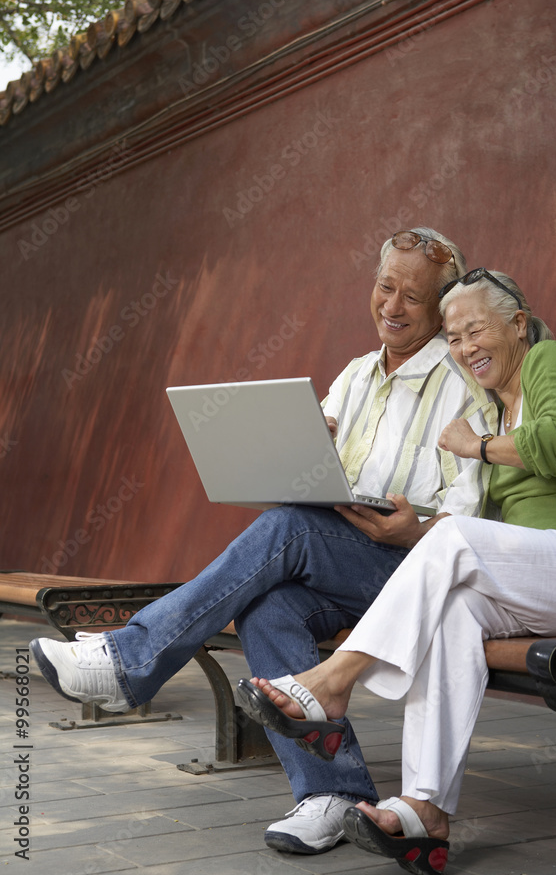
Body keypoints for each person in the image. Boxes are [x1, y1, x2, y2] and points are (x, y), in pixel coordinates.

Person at [30, 229, 497, 856]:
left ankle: (130, 661)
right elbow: (316, 464)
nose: (392, 305)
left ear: (440, 311)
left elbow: (473, 513)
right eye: (385, 286)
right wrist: (301, 452)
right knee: (267, 604)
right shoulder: (357, 375)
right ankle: (333, 794)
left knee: (290, 527)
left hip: (419, 567)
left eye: (412, 297)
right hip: (347, 562)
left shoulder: (461, 381)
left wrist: (413, 530)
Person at [238, 267, 556, 874]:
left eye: (476, 330)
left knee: (457, 542)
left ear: (517, 324)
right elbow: (468, 522)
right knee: (453, 612)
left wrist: (472, 447)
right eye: (454, 338)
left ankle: (332, 681)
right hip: (544, 579)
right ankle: (426, 811)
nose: (464, 348)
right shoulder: (487, 409)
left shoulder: (547, 362)